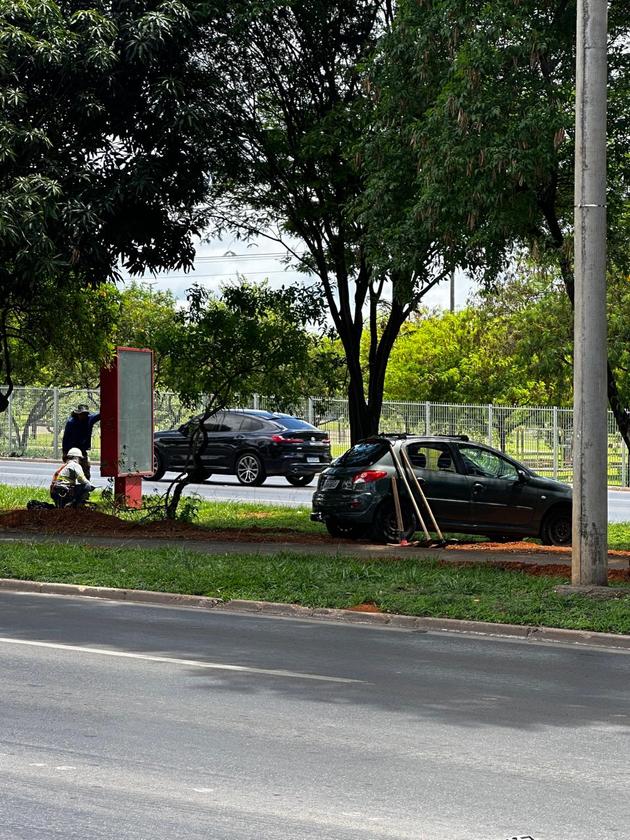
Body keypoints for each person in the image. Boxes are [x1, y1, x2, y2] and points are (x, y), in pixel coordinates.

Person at [62, 403, 100, 479]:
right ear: (78, 414)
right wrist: (65, 452)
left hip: (82, 450)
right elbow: (65, 438)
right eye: (81, 414)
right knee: (71, 470)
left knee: (86, 469)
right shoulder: (71, 423)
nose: (83, 416)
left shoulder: (89, 419)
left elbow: (100, 415)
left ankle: (85, 487)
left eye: (85, 414)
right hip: (72, 450)